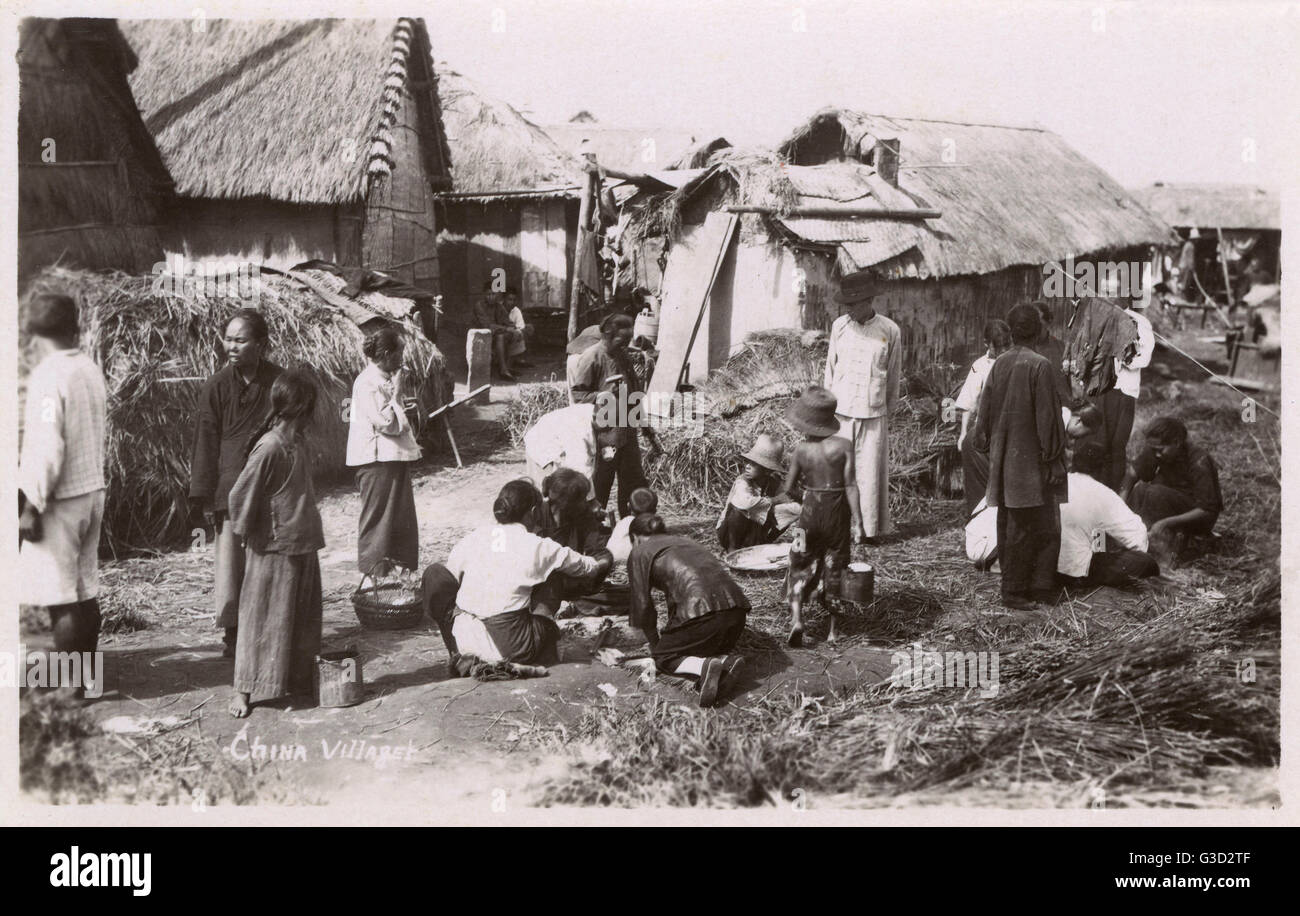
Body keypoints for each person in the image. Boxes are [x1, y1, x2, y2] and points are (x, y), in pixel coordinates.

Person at [18, 292, 108, 703]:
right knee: (85, 588)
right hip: (92, 490)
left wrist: (32, 505)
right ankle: (87, 676)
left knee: (60, 596)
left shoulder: (48, 377)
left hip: (61, 499)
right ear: (74, 328)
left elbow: (48, 448)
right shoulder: (87, 368)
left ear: (35, 334)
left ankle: (73, 686)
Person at [420, 480, 612, 669]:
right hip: (512, 646)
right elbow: (585, 567)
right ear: (534, 513)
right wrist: (605, 560)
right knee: (552, 571)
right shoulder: (539, 546)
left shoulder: (473, 537)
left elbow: (451, 580)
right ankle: (543, 654)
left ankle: (458, 653)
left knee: (434, 573)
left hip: (465, 637)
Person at [227, 371, 325, 718]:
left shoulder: (297, 443)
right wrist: (250, 533)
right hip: (274, 548)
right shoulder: (269, 448)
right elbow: (240, 495)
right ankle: (244, 691)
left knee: (300, 618)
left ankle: (292, 682)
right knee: (261, 620)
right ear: (303, 408)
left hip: (303, 542)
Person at [190, 309, 283, 657]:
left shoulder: (279, 382)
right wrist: (202, 495)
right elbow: (205, 440)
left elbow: (291, 433)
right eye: (228, 339)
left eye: (240, 340)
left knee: (267, 555)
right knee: (230, 565)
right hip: (229, 484)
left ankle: (269, 624)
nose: (231, 346)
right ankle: (233, 634)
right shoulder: (215, 386)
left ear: (261, 344)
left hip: (268, 480)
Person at [972, 304, 1067, 610]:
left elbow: (982, 417)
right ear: (1038, 330)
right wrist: (1053, 459)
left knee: (1013, 523)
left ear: (1012, 332)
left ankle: (1034, 587)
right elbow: (1048, 421)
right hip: (1033, 464)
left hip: (1007, 461)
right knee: (1037, 525)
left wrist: (991, 449)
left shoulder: (999, 364)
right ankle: (1016, 591)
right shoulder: (1040, 366)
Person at [626, 514, 749, 708]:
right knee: (695, 647)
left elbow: (642, 606)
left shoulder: (640, 551)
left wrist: (656, 648)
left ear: (635, 537)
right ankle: (725, 661)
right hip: (737, 612)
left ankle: (703, 667)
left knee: (664, 658)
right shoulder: (685, 542)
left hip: (702, 616)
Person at [776, 386, 864, 646]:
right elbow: (851, 485)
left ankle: (797, 619)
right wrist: (858, 524)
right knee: (836, 565)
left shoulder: (801, 451)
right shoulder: (845, 446)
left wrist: (804, 500)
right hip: (837, 515)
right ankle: (833, 631)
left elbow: (788, 488)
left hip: (809, 516)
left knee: (798, 559)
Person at [823, 270, 901, 539]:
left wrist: (886, 409)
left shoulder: (890, 331)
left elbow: (893, 374)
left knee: (868, 474)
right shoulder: (840, 328)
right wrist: (826, 413)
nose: (850, 310)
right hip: (841, 413)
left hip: (873, 412)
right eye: (846, 304)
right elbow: (830, 371)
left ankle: (868, 530)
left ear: (868, 301)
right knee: (840, 472)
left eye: (854, 304)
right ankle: (840, 526)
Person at [570, 313, 663, 517]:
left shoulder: (623, 356)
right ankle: (595, 524)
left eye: (628, 339)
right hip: (604, 434)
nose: (625, 344)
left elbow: (634, 394)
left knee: (633, 481)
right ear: (607, 335)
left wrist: (644, 424)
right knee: (601, 482)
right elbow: (578, 395)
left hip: (627, 432)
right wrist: (602, 396)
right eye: (621, 340)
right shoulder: (592, 357)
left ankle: (630, 524)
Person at [346, 325, 421, 578]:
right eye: (399, 353)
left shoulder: (384, 378)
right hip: (376, 461)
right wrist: (398, 392)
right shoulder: (367, 382)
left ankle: (398, 574)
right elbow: (386, 423)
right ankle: (372, 578)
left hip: (392, 458)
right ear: (387, 354)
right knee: (378, 519)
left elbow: (391, 413)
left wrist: (400, 398)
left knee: (400, 517)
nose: (402, 358)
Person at [1121, 417, 1222, 563]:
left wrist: (1165, 523)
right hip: (1167, 504)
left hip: (1196, 518)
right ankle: (1132, 539)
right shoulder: (1158, 448)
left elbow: (1207, 510)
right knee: (1140, 489)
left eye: (1160, 450)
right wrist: (1120, 503)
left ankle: (1160, 551)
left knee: (1154, 493)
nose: (1156, 454)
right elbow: (1131, 474)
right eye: (1153, 450)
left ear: (1176, 442)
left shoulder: (1199, 460)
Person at [1058, 442, 1158, 587]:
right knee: (1146, 563)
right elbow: (1138, 536)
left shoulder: (1058, 482)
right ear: (1101, 469)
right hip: (1076, 572)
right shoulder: (1102, 493)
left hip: (1048, 567)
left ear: (1072, 463)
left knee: (1096, 530)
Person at [539, 468, 625, 613]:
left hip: (574, 578)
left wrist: (600, 563)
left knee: (627, 597)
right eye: (581, 499)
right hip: (543, 581)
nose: (586, 503)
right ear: (565, 502)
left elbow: (598, 549)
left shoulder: (583, 515)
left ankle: (574, 605)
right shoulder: (538, 515)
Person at [1097, 295, 1153, 490]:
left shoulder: (1140, 323)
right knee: (1099, 440)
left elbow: (1144, 358)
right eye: (1105, 294)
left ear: (1123, 298)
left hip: (1124, 390)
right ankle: (1098, 488)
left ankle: (1114, 490)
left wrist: (1124, 359)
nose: (1109, 298)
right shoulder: (1100, 319)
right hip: (1102, 389)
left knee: (1117, 444)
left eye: (1113, 294)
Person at [956, 319, 1012, 514]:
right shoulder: (979, 365)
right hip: (987, 427)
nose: (1004, 350)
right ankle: (980, 514)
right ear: (987, 344)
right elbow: (969, 402)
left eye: (1007, 345)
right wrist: (963, 433)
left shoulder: (1017, 360)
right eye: (999, 347)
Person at [716, 433, 800, 551]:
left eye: (754, 464)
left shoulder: (773, 483)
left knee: (794, 511)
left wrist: (785, 502)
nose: (747, 466)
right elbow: (745, 503)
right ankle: (732, 549)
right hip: (729, 534)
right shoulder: (743, 481)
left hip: (754, 533)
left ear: (766, 470)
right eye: (747, 462)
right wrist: (774, 500)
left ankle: (765, 542)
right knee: (738, 510)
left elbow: (789, 499)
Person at [523, 401, 596, 491]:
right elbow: (581, 471)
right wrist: (591, 500)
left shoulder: (600, 414)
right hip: (540, 444)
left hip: (558, 445)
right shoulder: (581, 429)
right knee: (544, 492)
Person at [473, 279, 525, 381]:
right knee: (501, 336)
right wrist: (507, 328)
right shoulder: (479, 306)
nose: (491, 297)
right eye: (489, 294)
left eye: (494, 294)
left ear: (497, 295)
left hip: (495, 334)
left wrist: (515, 330)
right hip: (480, 335)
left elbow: (507, 321)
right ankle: (503, 370)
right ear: (484, 294)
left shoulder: (498, 306)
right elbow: (487, 325)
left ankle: (508, 367)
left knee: (514, 334)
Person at [1030, 300, 1073, 408]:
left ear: (1048, 322)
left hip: (1061, 411)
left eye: (1038, 324)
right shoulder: (1019, 350)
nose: (1033, 328)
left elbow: (1074, 386)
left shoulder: (1063, 349)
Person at [607, 486, 657, 567]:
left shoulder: (624, 521)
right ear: (654, 511)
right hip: (629, 561)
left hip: (611, 558)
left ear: (628, 506)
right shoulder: (650, 525)